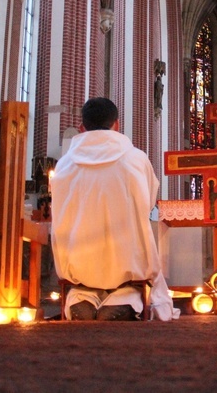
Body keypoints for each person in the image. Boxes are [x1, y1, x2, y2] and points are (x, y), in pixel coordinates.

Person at [50, 97, 179, 321]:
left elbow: (59, 209)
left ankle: (81, 301)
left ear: (82, 127)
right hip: (126, 260)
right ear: (117, 125)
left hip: (79, 262)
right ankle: (125, 302)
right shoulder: (136, 159)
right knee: (130, 278)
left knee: (81, 286)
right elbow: (148, 203)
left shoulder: (64, 164)